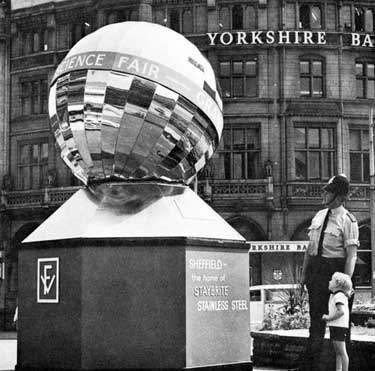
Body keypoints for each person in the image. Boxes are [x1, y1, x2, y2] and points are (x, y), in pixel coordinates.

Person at [300, 174, 359, 371]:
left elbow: (351, 255)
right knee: (315, 326)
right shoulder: (319, 216)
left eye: (329, 191)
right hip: (316, 274)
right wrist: (303, 276)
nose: (324, 193)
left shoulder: (348, 220)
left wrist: (345, 285)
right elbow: (310, 248)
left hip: (336, 276)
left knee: (340, 330)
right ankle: (310, 367)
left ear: (340, 196)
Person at [322, 272, 353, 371]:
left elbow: (341, 312)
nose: (329, 282)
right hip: (336, 326)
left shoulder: (338, 296)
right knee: (338, 352)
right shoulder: (337, 296)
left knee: (342, 352)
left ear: (337, 284)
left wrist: (329, 318)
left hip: (338, 327)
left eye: (332, 280)